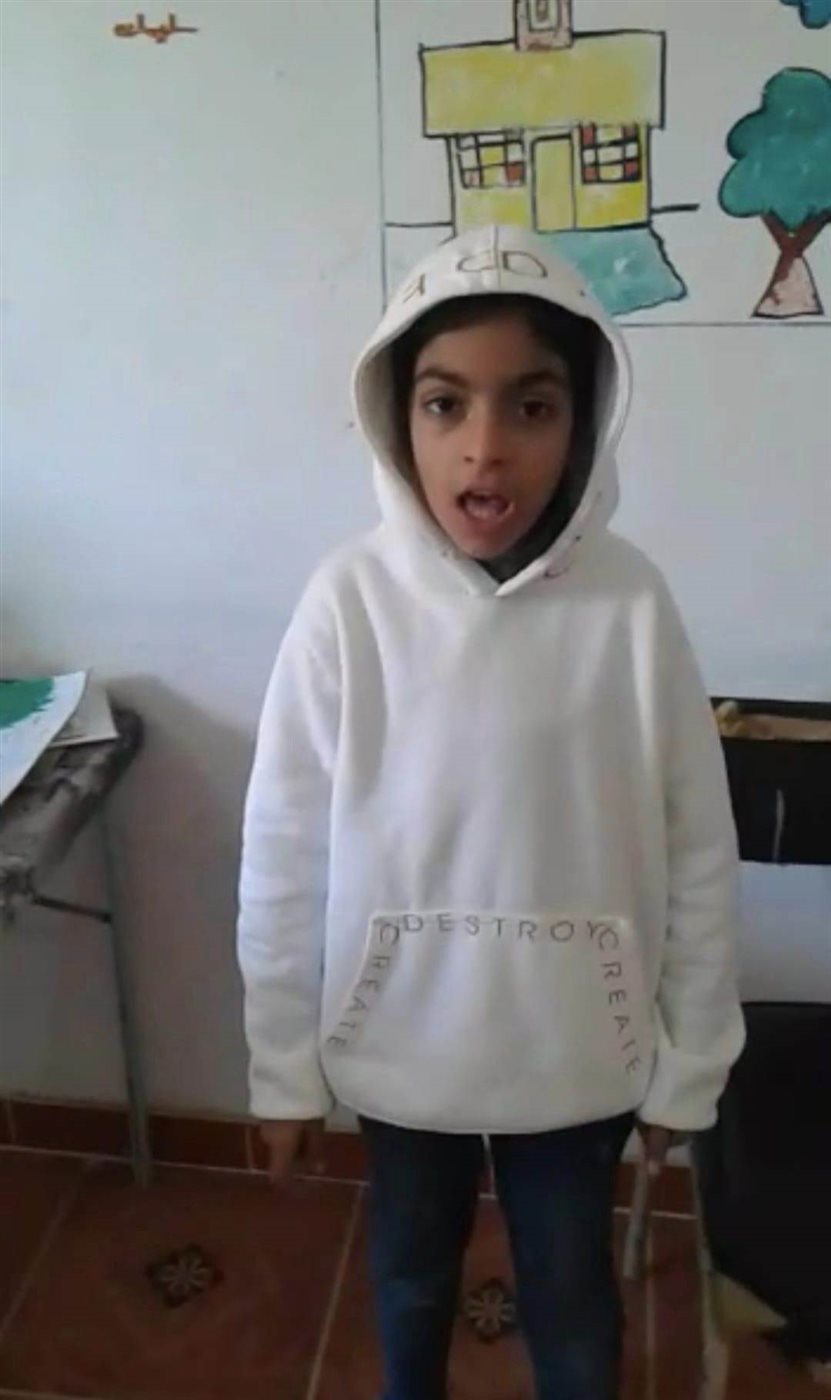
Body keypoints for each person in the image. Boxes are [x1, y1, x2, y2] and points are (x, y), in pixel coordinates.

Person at [237, 224, 745, 1400]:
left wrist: (691, 1063)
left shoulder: (632, 604)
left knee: (571, 1297)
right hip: (402, 1046)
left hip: (577, 1054)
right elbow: (283, 853)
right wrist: (282, 1068)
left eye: (531, 406)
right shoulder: (347, 603)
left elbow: (697, 848)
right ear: (394, 418)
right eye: (443, 403)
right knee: (410, 1279)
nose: (484, 446)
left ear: (585, 420)